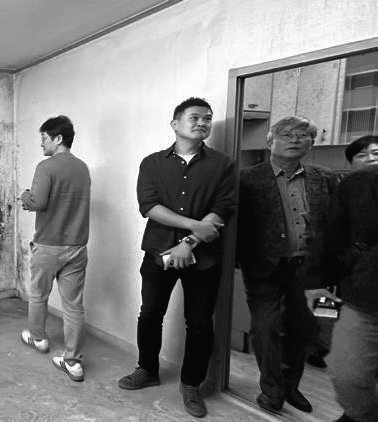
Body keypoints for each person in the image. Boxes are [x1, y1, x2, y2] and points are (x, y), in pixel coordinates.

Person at [118, 97, 237, 418]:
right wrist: (193, 226)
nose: (202, 123)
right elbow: (149, 206)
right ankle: (147, 369)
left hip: (204, 256)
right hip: (158, 252)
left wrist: (189, 242)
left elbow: (223, 207)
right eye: (194, 117)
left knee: (199, 324)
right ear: (175, 124)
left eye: (207, 118)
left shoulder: (223, 164)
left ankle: (191, 384)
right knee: (150, 314)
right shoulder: (152, 163)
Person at [236, 115, 338, 414]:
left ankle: (291, 384)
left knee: (305, 330)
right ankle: (272, 390)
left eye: (302, 135)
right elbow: (237, 224)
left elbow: (335, 224)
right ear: (270, 141)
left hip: (311, 270)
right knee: (264, 329)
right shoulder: (246, 178)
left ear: (312, 143)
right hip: (264, 268)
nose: (295, 139)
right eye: (286, 134)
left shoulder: (325, 178)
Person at [304, 138, 378, 422]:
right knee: (347, 371)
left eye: (376, 152)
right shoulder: (351, 187)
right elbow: (329, 238)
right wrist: (315, 283)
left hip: (350, 287)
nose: (371, 158)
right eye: (363, 154)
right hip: (358, 295)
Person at [19, 115, 91, 383]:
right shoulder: (83, 168)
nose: (41, 143)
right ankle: (73, 362)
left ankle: (38, 338)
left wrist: (25, 195)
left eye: (44, 138)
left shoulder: (46, 166)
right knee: (73, 306)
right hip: (77, 247)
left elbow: (38, 202)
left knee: (39, 294)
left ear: (58, 138)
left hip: (49, 245)